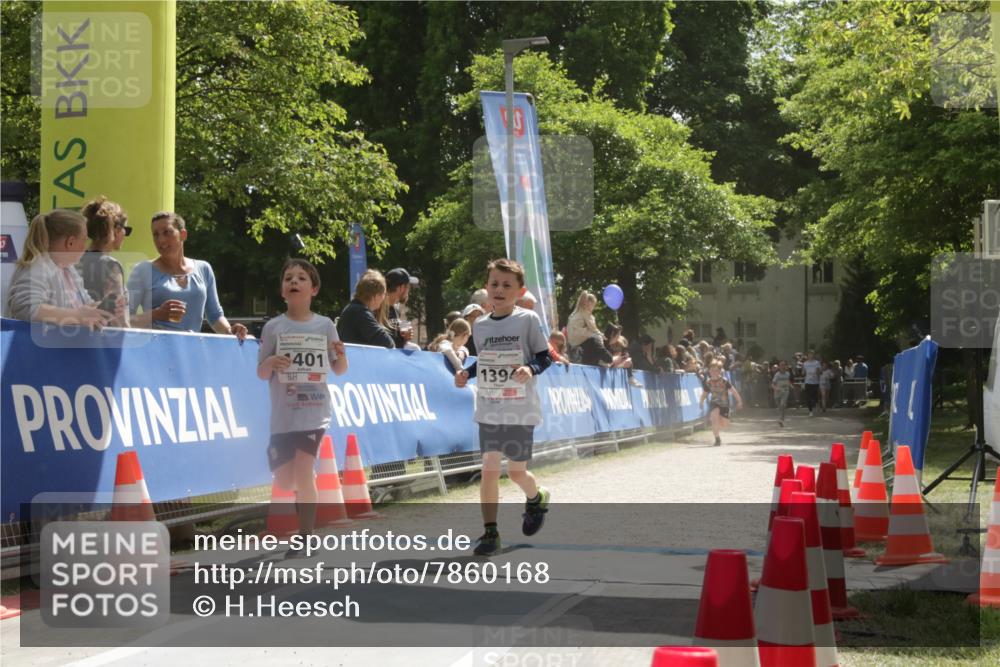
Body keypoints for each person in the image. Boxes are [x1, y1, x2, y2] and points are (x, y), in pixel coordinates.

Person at [454, 258, 552, 556]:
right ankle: (490, 532)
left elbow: (545, 356)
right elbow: (483, 361)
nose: (499, 289)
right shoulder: (480, 325)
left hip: (519, 408)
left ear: (519, 291)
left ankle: (537, 498)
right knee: (489, 469)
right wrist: (465, 374)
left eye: (507, 285)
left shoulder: (528, 320)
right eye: (494, 283)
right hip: (490, 406)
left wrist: (530, 370)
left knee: (517, 473)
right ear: (486, 288)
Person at [257, 259, 348, 557]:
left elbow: (339, 370)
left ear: (314, 289)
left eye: (300, 278)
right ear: (282, 290)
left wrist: (340, 355)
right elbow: (260, 371)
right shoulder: (273, 327)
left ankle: (306, 535)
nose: (293, 281)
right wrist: (270, 363)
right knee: (285, 479)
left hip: (314, 410)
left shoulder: (325, 325)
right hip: (283, 414)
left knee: (305, 470)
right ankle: (303, 508)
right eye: (288, 278)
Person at [127, 212, 247, 339]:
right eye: (155, 235)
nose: (160, 240)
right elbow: (123, 320)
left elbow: (215, 316)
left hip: (190, 352)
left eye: (167, 232)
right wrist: (156, 314)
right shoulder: (142, 270)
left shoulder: (203, 268)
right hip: (156, 352)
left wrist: (230, 331)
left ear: (183, 234)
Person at [7, 209, 115, 329]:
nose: (85, 248)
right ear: (70, 243)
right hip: (32, 347)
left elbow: (84, 307)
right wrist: (78, 316)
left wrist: (105, 309)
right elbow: (26, 308)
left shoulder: (68, 269)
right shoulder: (37, 268)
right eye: (84, 241)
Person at [77, 196, 130, 328]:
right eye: (126, 230)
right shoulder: (111, 266)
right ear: (117, 230)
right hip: (102, 341)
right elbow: (119, 319)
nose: (125, 234)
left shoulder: (73, 261)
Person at [336, 269, 394, 348]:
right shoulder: (361, 313)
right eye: (384, 294)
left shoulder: (351, 308)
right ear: (376, 296)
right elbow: (388, 343)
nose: (384, 298)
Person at [700, 360, 743, 446]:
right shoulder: (708, 382)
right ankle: (717, 439)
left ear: (719, 371)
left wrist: (739, 401)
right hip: (714, 403)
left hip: (724, 404)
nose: (713, 372)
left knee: (724, 423)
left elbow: (733, 391)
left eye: (716, 370)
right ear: (709, 371)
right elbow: (704, 394)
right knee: (714, 417)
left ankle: (719, 425)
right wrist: (701, 401)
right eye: (712, 370)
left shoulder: (724, 381)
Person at [383, 268, 417, 348]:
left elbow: (396, 337)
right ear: (401, 288)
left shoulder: (396, 308)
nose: (409, 291)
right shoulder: (378, 307)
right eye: (408, 287)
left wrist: (405, 337)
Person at [772, 360, 791, 427]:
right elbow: (773, 384)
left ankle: (781, 419)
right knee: (779, 406)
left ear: (786, 366)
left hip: (785, 391)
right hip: (778, 391)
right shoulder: (777, 375)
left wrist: (790, 385)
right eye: (781, 365)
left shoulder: (788, 374)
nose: (782, 366)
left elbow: (788, 381)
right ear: (779, 366)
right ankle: (781, 417)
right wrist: (776, 389)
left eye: (784, 365)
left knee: (782, 404)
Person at [802, 349, 821, 416]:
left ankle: (817, 404)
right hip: (808, 382)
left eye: (812, 354)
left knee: (815, 397)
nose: (810, 355)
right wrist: (803, 372)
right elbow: (803, 372)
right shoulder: (805, 363)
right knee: (808, 397)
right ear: (807, 355)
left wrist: (816, 374)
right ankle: (810, 411)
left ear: (813, 355)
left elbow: (819, 372)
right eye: (809, 354)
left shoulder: (817, 362)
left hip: (815, 382)